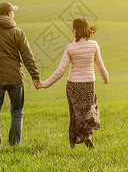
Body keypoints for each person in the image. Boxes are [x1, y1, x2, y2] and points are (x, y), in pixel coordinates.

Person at [0, 2, 42, 153]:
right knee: (17, 112)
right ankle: (14, 145)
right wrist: (35, 76)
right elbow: (28, 56)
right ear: (9, 14)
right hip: (16, 78)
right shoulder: (18, 33)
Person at [38, 17, 109, 149]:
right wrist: (105, 77)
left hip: (73, 86)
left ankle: (73, 144)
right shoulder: (93, 45)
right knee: (90, 112)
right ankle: (88, 136)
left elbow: (60, 71)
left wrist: (44, 84)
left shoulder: (70, 48)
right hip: (88, 85)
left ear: (75, 30)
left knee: (75, 114)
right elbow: (99, 64)